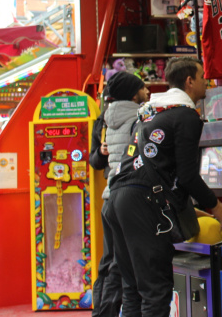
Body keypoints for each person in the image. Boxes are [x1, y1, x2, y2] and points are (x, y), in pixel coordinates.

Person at [104, 57, 222, 317]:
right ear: (189, 81)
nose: (206, 81)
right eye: (202, 76)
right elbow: (187, 175)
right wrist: (217, 206)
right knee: (155, 291)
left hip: (116, 199)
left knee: (133, 289)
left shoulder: (151, 111)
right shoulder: (186, 115)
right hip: (142, 202)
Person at [88, 71, 149, 317]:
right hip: (129, 197)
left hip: (109, 198)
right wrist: (101, 153)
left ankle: (101, 312)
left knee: (109, 263)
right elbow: (95, 160)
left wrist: (105, 153)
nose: (147, 92)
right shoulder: (139, 117)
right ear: (134, 94)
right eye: (143, 88)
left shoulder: (105, 118)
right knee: (118, 266)